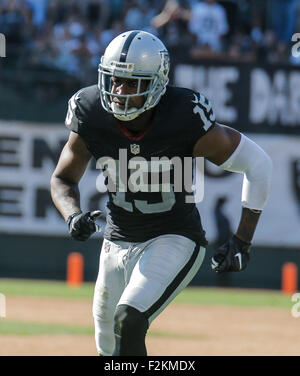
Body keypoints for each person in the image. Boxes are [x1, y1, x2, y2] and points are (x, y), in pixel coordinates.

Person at [50, 30, 272, 356]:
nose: (119, 92)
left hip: (173, 237)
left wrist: (242, 240)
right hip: (116, 238)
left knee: (129, 320)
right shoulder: (92, 110)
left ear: (156, 84)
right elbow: (62, 179)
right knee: (108, 345)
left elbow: (258, 164)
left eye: (132, 83)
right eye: (114, 81)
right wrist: (72, 215)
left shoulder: (183, 117)